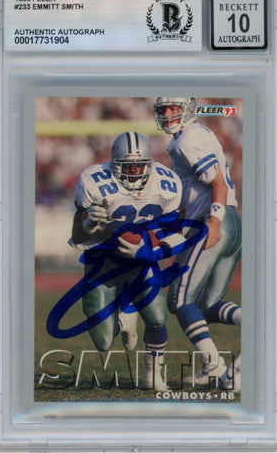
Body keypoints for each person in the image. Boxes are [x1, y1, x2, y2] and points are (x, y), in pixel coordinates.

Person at [70, 131, 183, 391]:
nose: (134, 172)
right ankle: (125, 316)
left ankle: (152, 375)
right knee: (103, 343)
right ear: (114, 164)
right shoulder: (93, 180)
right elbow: (77, 236)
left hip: (140, 260)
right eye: (128, 167)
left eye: (139, 166)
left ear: (149, 163)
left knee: (158, 317)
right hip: (103, 261)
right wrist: (89, 224)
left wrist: (152, 253)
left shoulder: (166, 183)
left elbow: (176, 234)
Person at [154, 97, 242, 389]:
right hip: (232, 221)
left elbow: (218, 184)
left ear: (187, 109)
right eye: (163, 109)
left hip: (213, 221)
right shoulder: (197, 133)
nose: (168, 114)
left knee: (179, 300)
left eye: (174, 108)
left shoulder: (186, 140)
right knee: (205, 304)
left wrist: (213, 221)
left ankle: (214, 365)